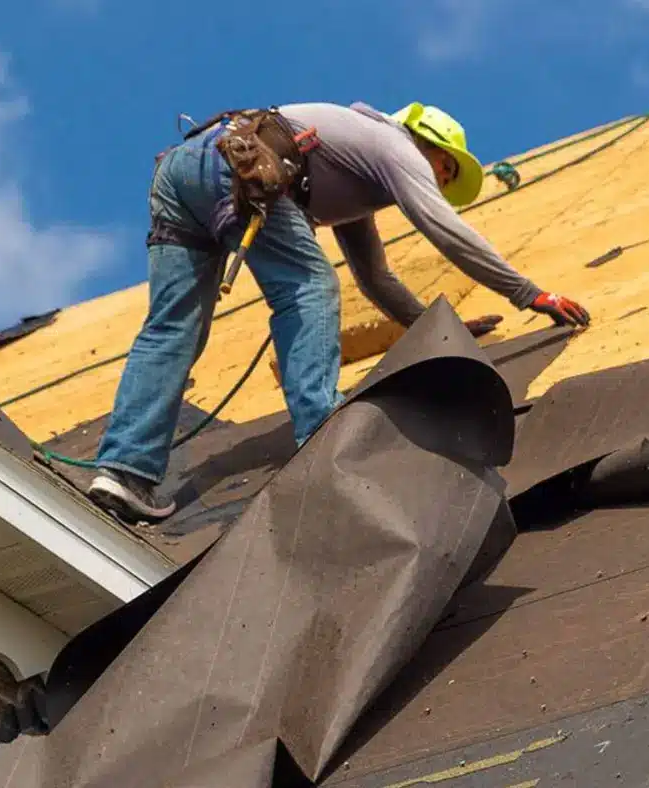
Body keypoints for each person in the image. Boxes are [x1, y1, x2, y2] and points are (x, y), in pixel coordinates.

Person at [87, 100, 590, 522]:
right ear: (427, 144)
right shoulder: (394, 147)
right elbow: (447, 231)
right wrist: (530, 294)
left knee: (173, 330)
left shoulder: (352, 167)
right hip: (238, 166)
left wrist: (428, 325)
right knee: (308, 286)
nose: (438, 180)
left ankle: (124, 473)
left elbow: (375, 277)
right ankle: (320, 434)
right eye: (445, 168)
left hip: (186, 169)